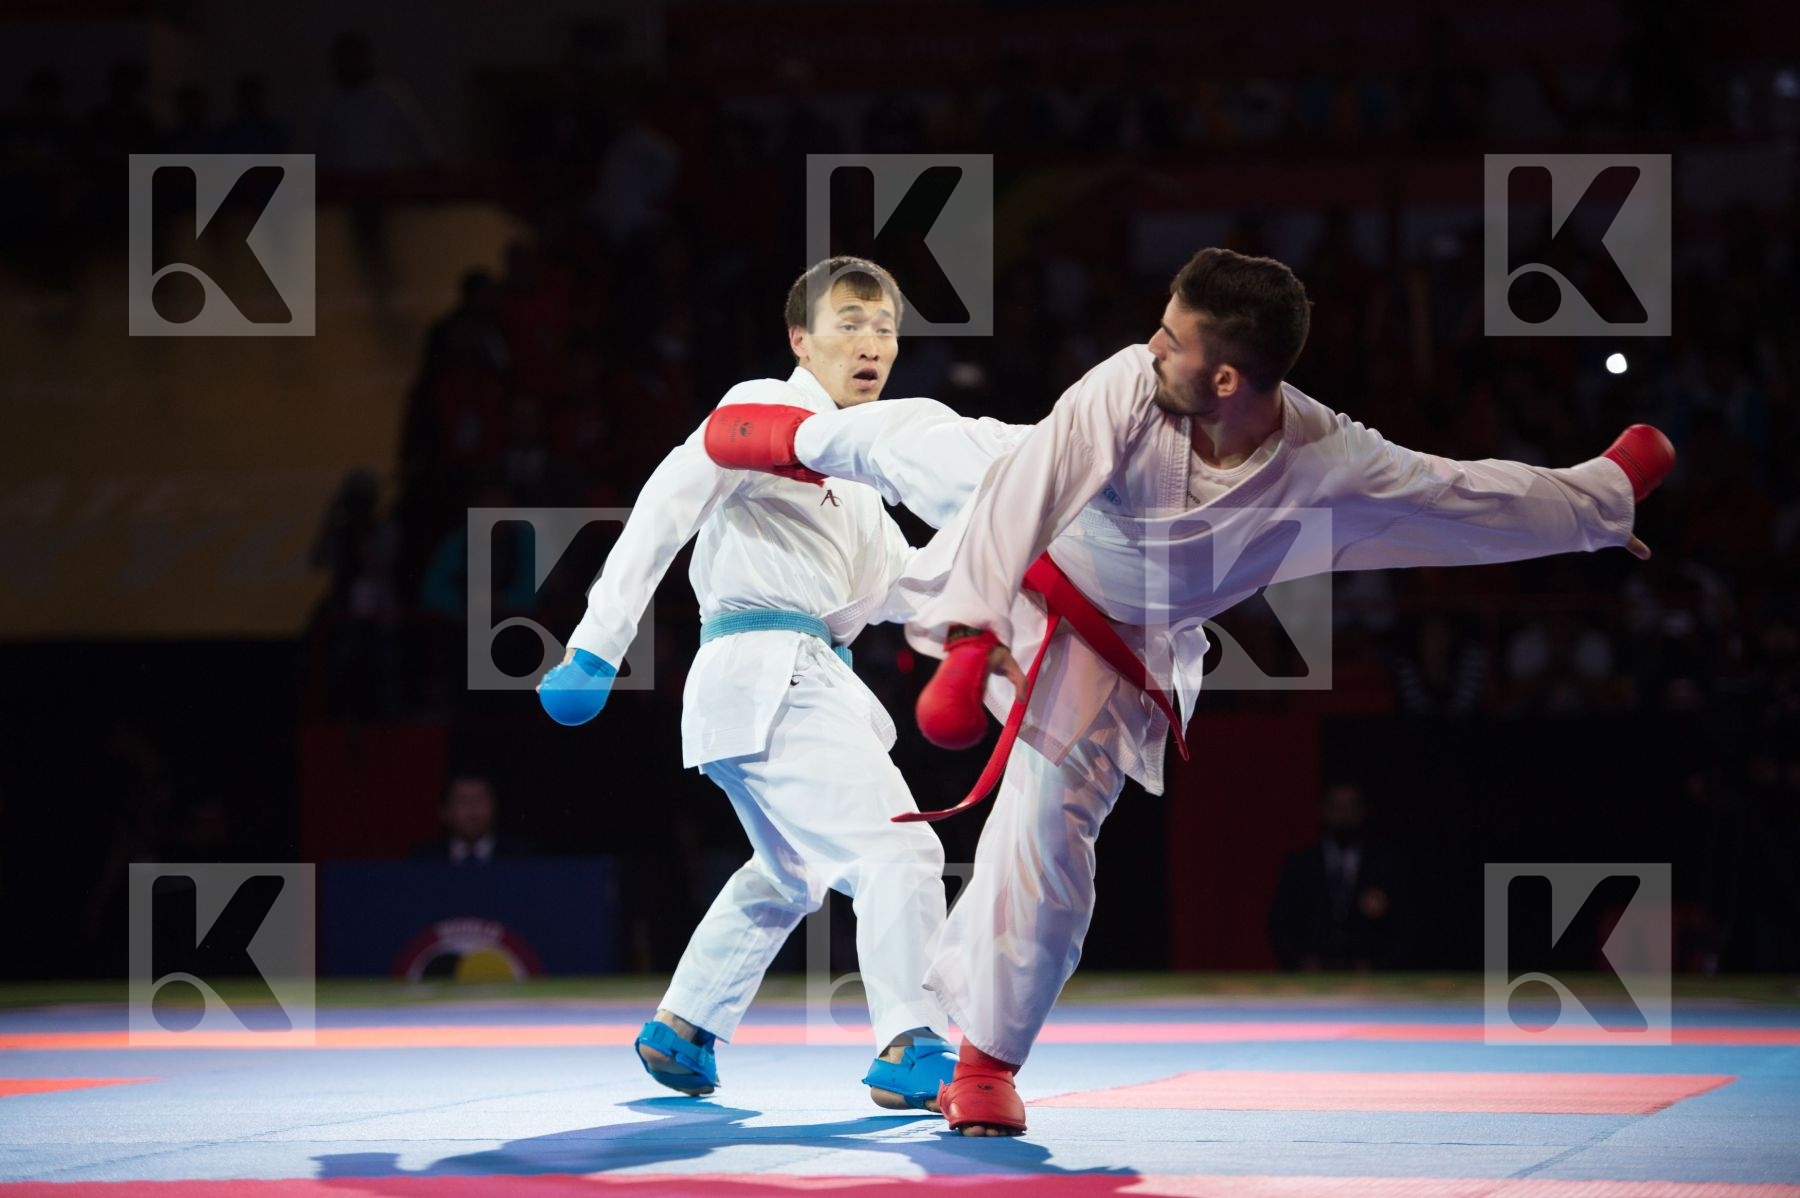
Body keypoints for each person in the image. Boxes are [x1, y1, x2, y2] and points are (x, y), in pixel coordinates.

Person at [702, 246, 1675, 1135]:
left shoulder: (1321, 457)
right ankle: (790, 435)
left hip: (1112, 646)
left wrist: (1601, 498)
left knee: (1046, 832)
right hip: (1038, 527)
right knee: (930, 444)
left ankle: (986, 1060)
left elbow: (1454, 491)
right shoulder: (1128, 384)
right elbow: (1026, 495)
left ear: (1227, 378)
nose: (1153, 343)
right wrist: (968, 634)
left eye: (1175, 337)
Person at [535, 257, 955, 1112]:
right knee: (901, 852)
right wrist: (596, 646)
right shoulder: (763, 408)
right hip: (771, 673)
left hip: (774, 685)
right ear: (801, 339)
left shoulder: (859, 478)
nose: (871, 344)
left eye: (885, 329)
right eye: (849, 324)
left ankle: (683, 1026)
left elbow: (909, 587)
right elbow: (666, 504)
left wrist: (1020, 599)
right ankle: (910, 1039)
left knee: (790, 870)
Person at [1267, 782, 1417, 970]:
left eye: (1351, 806)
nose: (1343, 814)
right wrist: (1301, 961)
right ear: (1323, 810)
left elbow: (1406, 923)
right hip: (1312, 974)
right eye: (1337, 806)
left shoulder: (1388, 863)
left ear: (1364, 810)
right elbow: (1280, 922)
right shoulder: (1300, 863)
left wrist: (1379, 964)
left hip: (1373, 976)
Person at [410, 774, 538, 864]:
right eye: (463, 800)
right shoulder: (424, 860)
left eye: (480, 799)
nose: (473, 808)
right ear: (444, 812)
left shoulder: (522, 857)